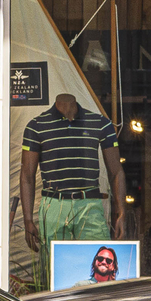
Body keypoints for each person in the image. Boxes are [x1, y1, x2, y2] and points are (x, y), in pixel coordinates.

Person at [19, 93, 124, 287]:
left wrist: (121, 211)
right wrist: (27, 219)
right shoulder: (36, 126)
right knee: (53, 273)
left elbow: (116, 170)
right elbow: (27, 175)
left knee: (101, 268)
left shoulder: (100, 123)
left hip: (89, 204)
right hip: (53, 204)